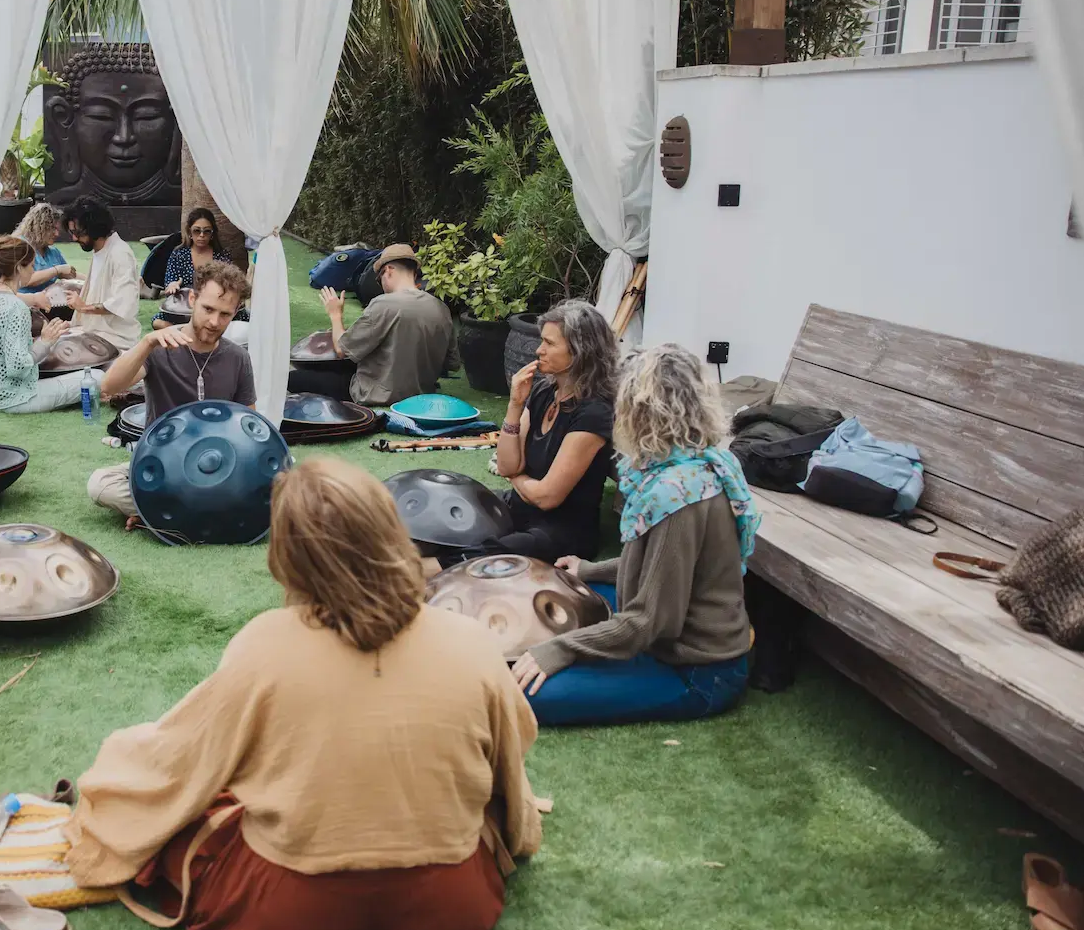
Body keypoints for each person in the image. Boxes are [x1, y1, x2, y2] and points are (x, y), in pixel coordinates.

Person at [64, 458, 544, 930]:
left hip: (292, 923)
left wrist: (121, 760)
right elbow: (509, 759)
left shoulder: (265, 643)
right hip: (451, 912)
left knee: (190, 816)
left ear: (287, 556)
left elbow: (178, 762)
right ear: (393, 533)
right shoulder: (469, 638)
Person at [508, 343, 758, 727]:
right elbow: (661, 564)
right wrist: (589, 571)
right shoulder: (694, 461)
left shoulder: (678, 495)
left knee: (525, 692)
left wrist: (559, 649)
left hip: (696, 670)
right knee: (567, 591)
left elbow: (649, 622)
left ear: (640, 411)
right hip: (666, 627)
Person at [423, 300, 621, 574]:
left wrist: (515, 478)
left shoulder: (594, 412)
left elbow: (547, 496)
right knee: (458, 504)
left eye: (549, 343)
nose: (539, 350)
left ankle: (417, 572)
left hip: (562, 530)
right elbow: (507, 464)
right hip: (518, 505)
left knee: (494, 551)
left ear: (580, 351)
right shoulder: (543, 391)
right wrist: (515, 405)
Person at [88, 262, 254, 527]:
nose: (214, 322)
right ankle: (196, 514)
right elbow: (109, 386)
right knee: (100, 484)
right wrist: (147, 342)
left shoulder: (238, 357)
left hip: (216, 465)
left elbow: (249, 424)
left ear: (235, 312)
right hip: (164, 465)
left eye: (225, 314)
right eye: (208, 309)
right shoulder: (159, 346)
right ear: (193, 299)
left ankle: (161, 514)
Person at [287, 244, 457, 406]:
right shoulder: (441, 308)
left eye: (378, 278)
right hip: (422, 394)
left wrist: (335, 315)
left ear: (388, 270)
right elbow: (452, 364)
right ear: (413, 273)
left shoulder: (384, 304)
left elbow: (341, 349)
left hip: (377, 395)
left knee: (294, 378)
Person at [0, 234, 93, 414]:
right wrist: (45, 342)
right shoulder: (15, 307)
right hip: (12, 398)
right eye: (31, 265)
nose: (33, 271)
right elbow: (18, 368)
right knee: (96, 377)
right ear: (19, 267)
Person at [155, 207, 251, 334]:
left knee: (244, 320)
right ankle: (190, 335)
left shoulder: (220, 255)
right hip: (185, 309)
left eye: (206, 231)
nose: (201, 235)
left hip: (214, 304)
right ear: (190, 232)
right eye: (197, 231)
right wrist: (173, 285)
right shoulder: (179, 254)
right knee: (158, 322)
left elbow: (231, 281)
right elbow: (170, 282)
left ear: (212, 234)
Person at [63, 197, 141, 350]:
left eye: (78, 232)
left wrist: (83, 307)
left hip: (116, 340)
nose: (74, 238)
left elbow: (123, 302)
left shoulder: (120, 254)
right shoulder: (100, 251)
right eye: (72, 232)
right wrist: (73, 325)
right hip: (96, 333)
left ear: (94, 228)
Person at [12, 202, 77, 306]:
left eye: (57, 229)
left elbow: (71, 273)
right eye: (52, 229)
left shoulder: (53, 252)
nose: (57, 234)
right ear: (39, 227)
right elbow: (26, 280)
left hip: (45, 306)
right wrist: (57, 270)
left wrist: (92, 280)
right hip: (21, 304)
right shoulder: (19, 245)